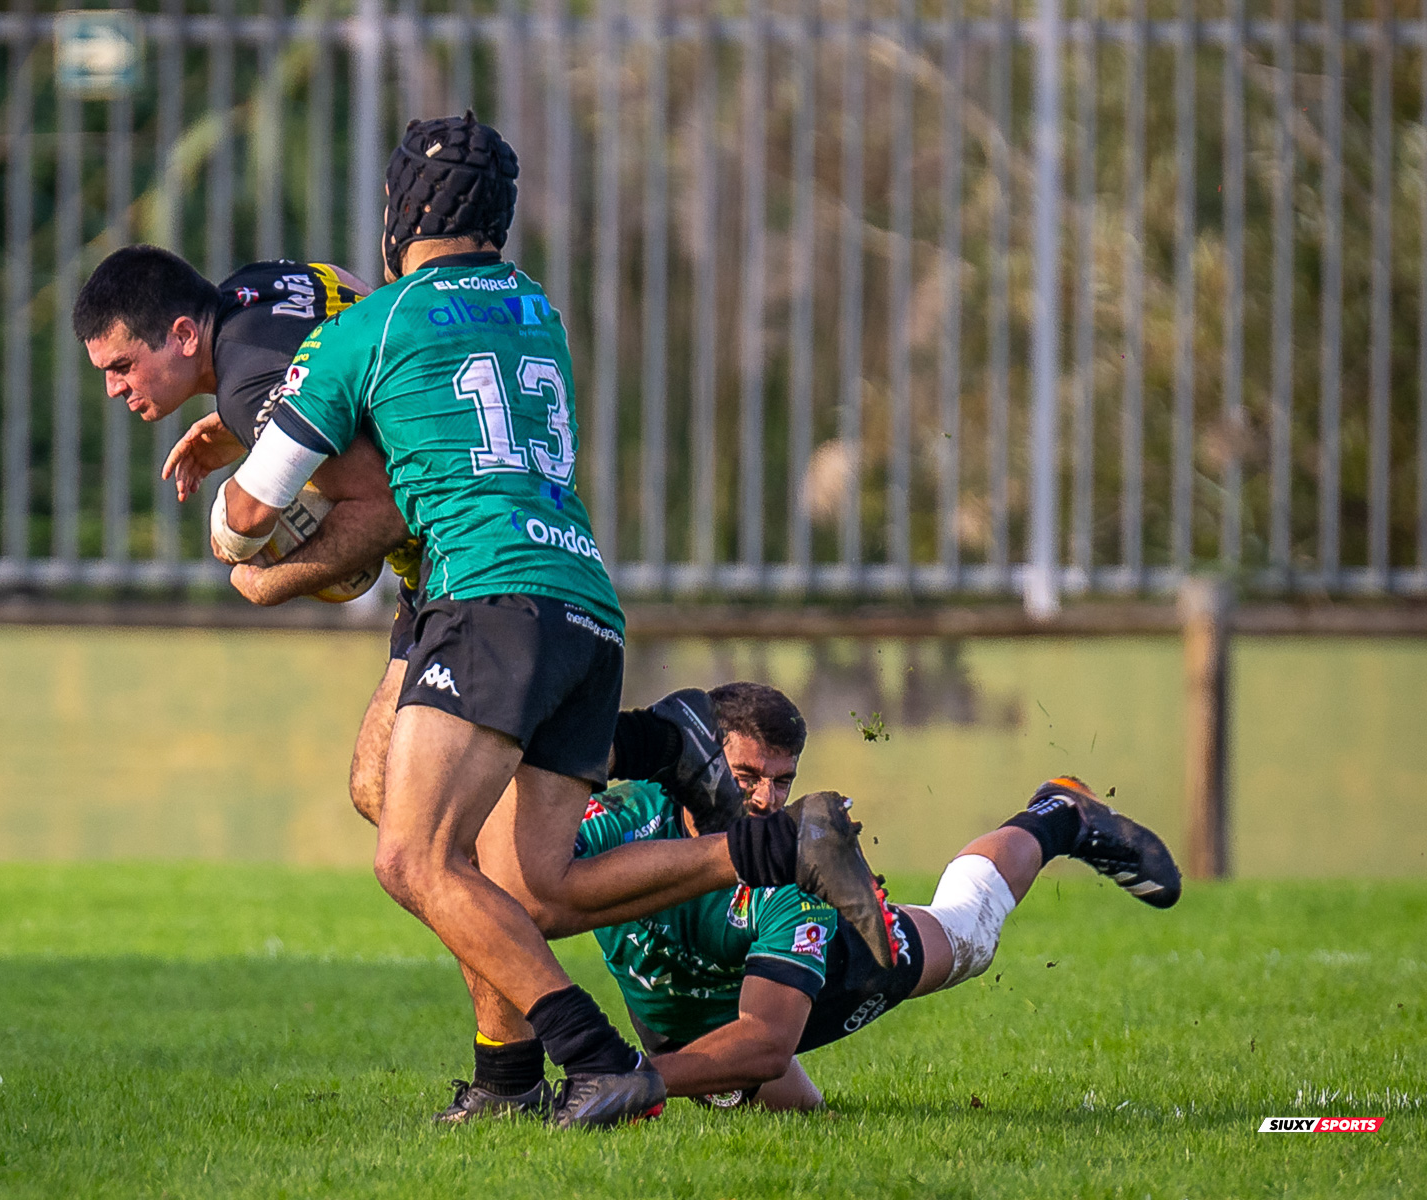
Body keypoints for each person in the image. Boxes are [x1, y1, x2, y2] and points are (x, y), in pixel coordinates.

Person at [208, 114, 891, 1127]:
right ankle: (776, 845)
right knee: (536, 891)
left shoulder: (374, 324)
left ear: (398, 211)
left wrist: (236, 545)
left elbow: (251, 510)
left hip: (486, 599)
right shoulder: (538, 311)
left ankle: (599, 1060)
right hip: (583, 603)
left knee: (412, 857)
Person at [451, 682, 1183, 1115]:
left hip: (836, 972)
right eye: (746, 776)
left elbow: (767, 1044)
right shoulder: (626, 816)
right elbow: (501, 887)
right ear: (699, 759)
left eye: (783, 782)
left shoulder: (793, 872)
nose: (767, 801)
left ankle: (1058, 814)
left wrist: (634, 1081)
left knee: (969, 932)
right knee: (798, 1119)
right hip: (685, 1009)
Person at [72, 246, 409, 607]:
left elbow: (387, 509)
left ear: (185, 336)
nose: (113, 388)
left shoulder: (245, 390)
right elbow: (353, 293)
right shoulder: (259, 281)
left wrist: (269, 584)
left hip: (447, 553)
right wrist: (272, 423)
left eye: (122, 367)